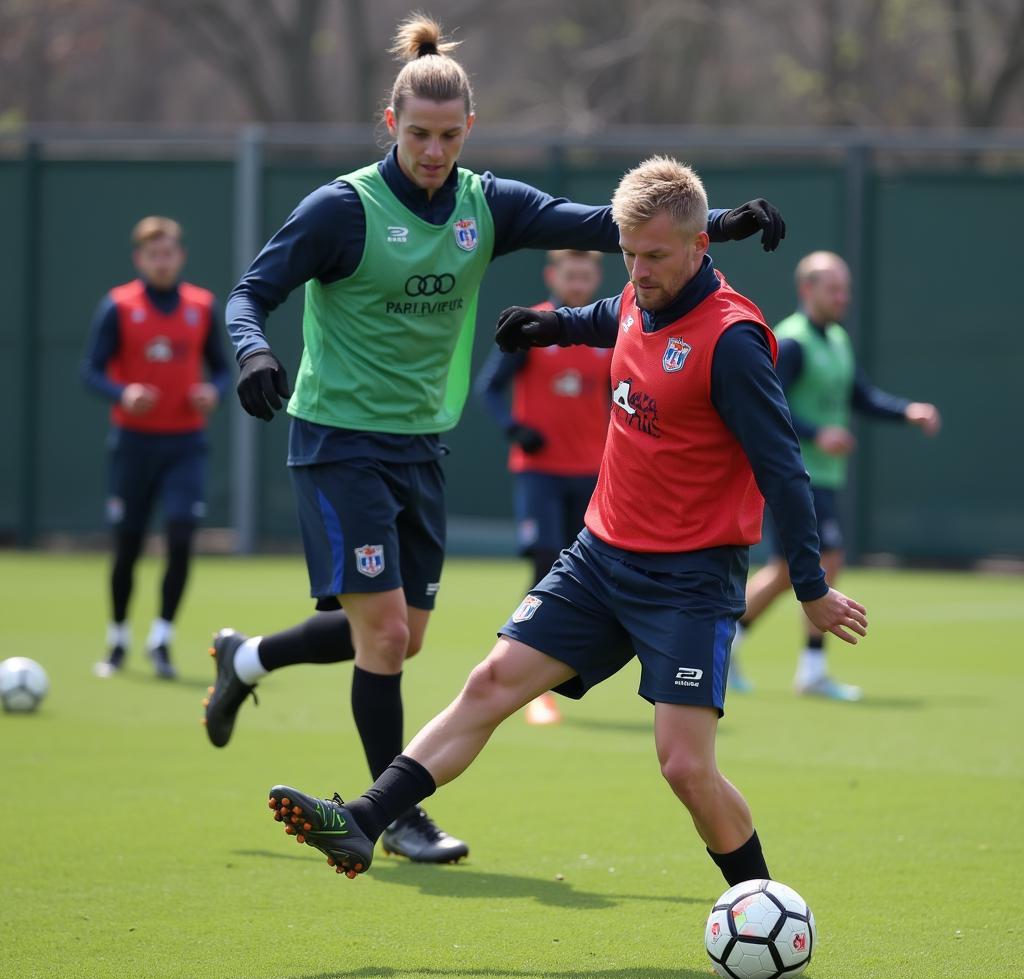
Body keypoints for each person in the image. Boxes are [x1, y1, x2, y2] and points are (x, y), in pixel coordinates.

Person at [205, 14, 788, 865]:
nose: (433, 152)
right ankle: (384, 821)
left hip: (419, 446)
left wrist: (722, 223)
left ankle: (247, 657)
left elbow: (602, 225)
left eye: (448, 136)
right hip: (338, 439)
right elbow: (248, 293)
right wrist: (254, 351)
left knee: (399, 630)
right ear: (390, 127)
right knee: (388, 640)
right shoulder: (342, 209)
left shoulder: (485, 205)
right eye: (417, 135)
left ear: (468, 129)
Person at [265, 156, 869, 886]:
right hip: (598, 558)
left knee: (684, 767)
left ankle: (761, 902)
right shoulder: (642, 297)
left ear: (699, 246)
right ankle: (363, 821)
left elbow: (784, 471)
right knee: (489, 683)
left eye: (654, 256)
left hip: (689, 579)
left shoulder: (733, 341)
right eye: (628, 254)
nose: (638, 270)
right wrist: (546, 328)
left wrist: (809, 586)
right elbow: (610, 316)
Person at [729, 251, 940, 701]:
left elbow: (860, 396)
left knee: (788, 571)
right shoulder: (791, 341)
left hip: (823, 476)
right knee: (825, 561)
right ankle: (808, 668)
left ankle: (728, 645)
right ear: (807, 289)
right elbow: (770, 405)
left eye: (845, 288)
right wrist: (816, 432)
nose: (843, 297)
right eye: (833, 288)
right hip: (793, 476)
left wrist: (908, 413)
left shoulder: (837, 340)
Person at [81, 216, 229, 680]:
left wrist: (214, 392)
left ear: (180, 256)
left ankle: (162, 637)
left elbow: (222, 369)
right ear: (139, 259)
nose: (161, 261)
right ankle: (119, 637)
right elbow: (90, 370)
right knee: (127, 544)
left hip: (185, 443)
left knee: (182, 537)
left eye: (168, 253)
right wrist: (122, 393)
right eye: (152, 254)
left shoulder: (200, 307)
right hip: (134, 444)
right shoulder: (119, 306)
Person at [475, 249, 610, 725]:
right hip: (540, 471)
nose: (577, 282)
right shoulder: (534, 326)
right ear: (553, 275)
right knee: (547, 556)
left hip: (591, 472)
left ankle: (553, 671)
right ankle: (529, 680)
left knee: (586, 572)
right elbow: (489, 386)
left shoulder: (606, 332)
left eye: (585, 274)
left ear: (596, 277)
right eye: (569, 274)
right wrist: (515, 428)